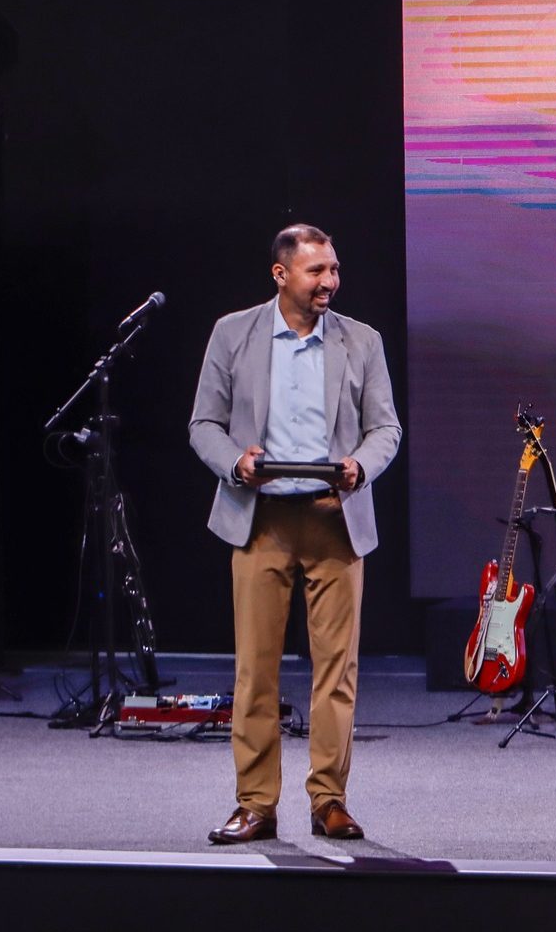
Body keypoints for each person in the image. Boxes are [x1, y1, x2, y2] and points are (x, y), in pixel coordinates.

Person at [189, 224, 401, 844]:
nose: (329, 282)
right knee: (256, 670)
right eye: (317, 271)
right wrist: (236, 462)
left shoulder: (362, 341)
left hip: (335, 519)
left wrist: (360, 466)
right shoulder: (234, 333)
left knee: (337, 670)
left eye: (334, 270)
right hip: (261, 521)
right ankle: (256, 804)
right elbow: (203, 424)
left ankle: (329, 800)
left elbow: (385, 429)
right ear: (281, 274)